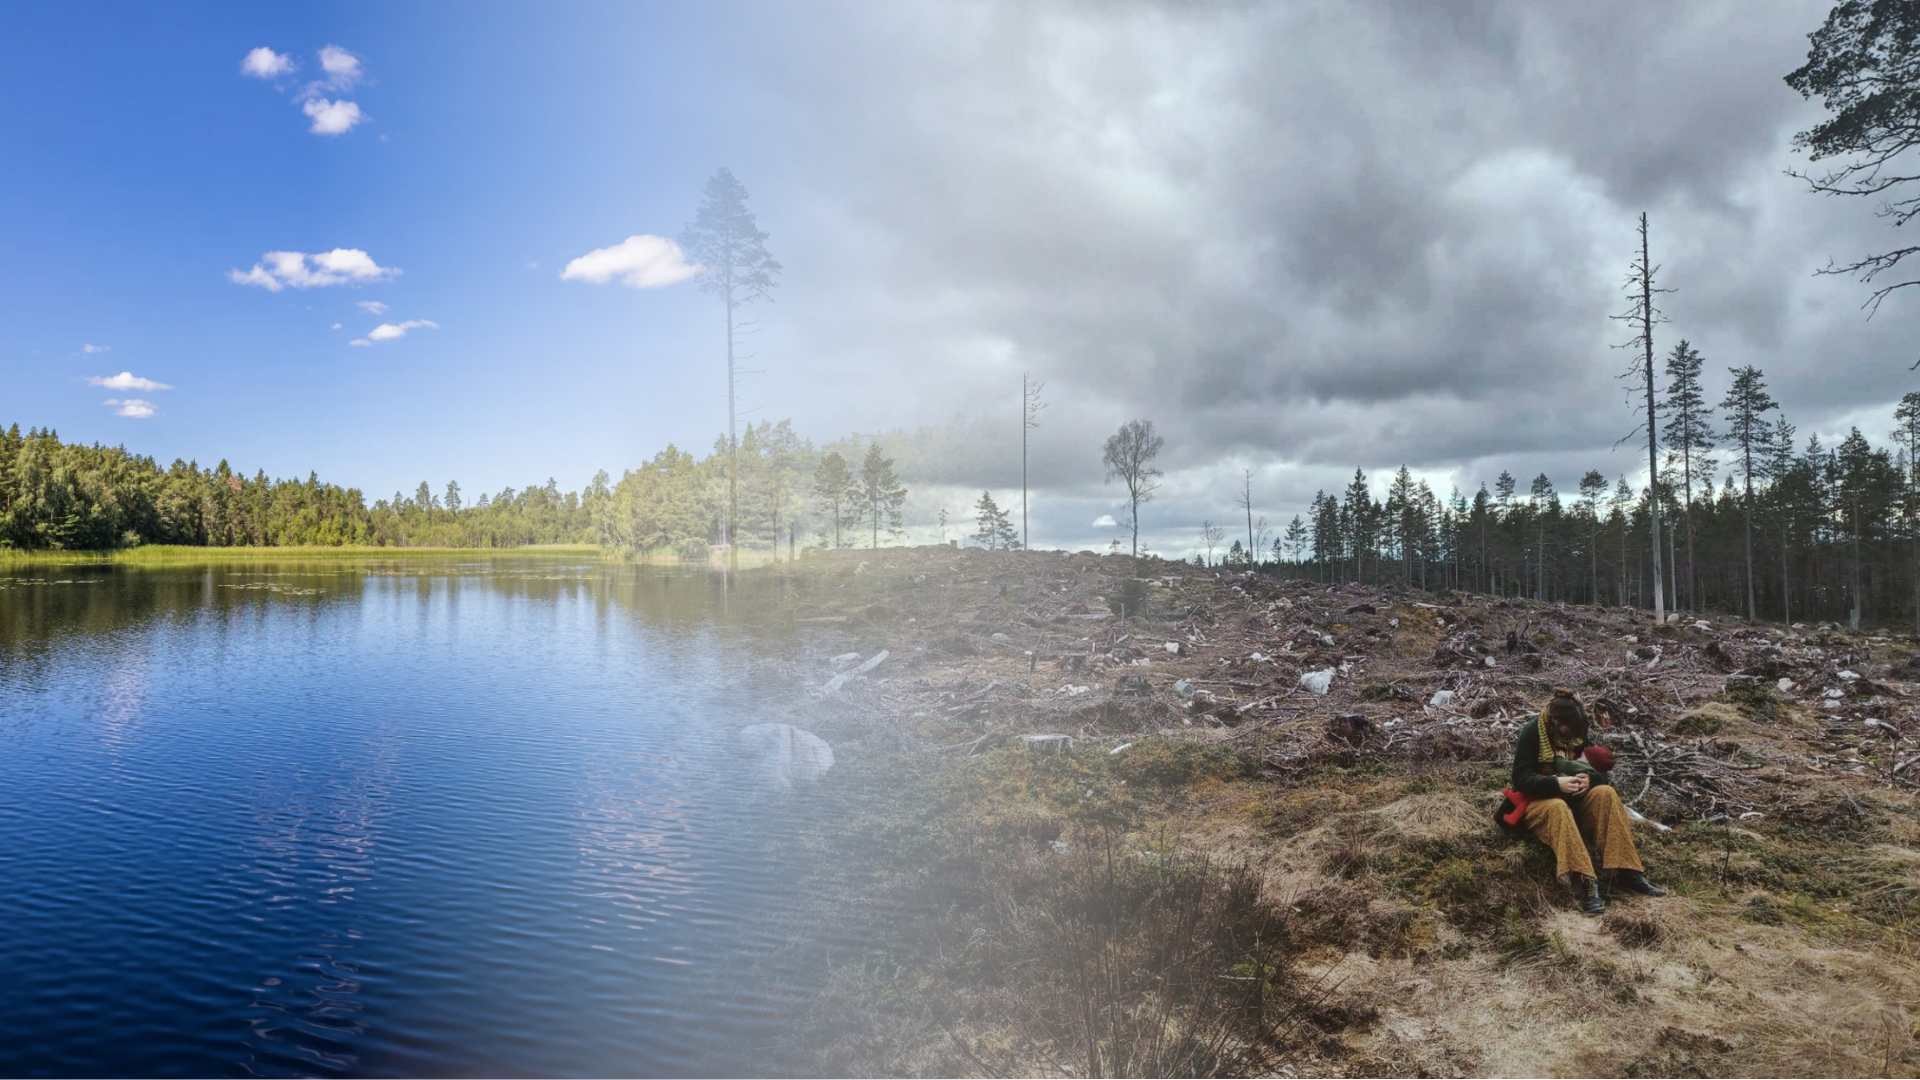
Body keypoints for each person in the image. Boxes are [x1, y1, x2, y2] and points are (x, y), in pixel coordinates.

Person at [1496, 689, 1665, 915]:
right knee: (1557, 807)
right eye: (1567, 731)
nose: (1572, 738)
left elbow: (1598, 771)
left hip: (1574, 802)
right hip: (1538, 803)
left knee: (1605, 793)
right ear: (1555, 722)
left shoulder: (1577, 730)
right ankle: (1585, 883)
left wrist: (1589, 780)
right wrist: (1556, 784)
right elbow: (1521, 779)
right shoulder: (1532, 732)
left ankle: (1627, 871)